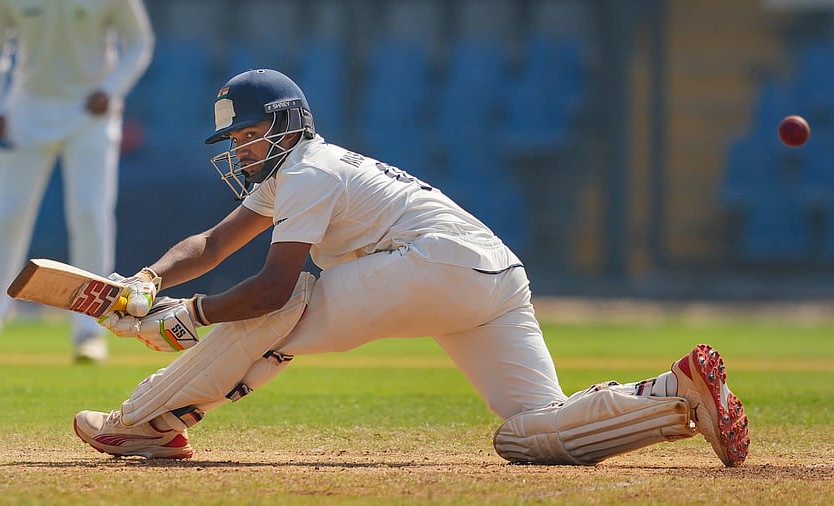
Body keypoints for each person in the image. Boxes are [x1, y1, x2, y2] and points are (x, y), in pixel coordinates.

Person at [72, 69, 750, 466]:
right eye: (237, 140)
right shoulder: (294, 175)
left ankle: (145, 422)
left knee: (279, 312)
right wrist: (150, 281)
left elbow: (272, 289)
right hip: (492, 275)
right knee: (527, 434)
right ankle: (674, 393)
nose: (245, 150)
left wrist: (189, 317)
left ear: (288, 124)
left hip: (436, 265)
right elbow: (213, 245)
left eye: (252, 135)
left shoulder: (308, 171)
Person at [0, 0, 154, 364]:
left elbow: (139, 42)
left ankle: (90, 332)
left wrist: (111, 90)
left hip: (91, 114)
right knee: (8, 213)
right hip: (26, 110)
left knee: (89, 213)